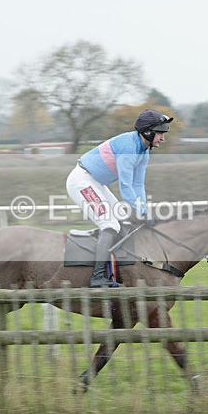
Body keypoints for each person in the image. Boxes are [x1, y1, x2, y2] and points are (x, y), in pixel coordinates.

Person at [66, 108, 174, 287]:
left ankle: (120, 272)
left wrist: (144, 210)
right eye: (160, 133)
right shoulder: (129, 149)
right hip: (82, 181)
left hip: (96, 183)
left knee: (123, 221)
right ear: (147, 132)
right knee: (110, 224)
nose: (163, 138)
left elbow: (138, 185)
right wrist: (141, 212)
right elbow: (125, 187)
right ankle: (97, 278)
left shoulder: (143, 151)